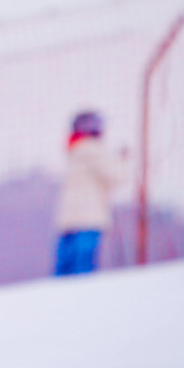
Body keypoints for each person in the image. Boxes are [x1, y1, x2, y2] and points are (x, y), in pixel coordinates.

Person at [53, 110, 130, 275]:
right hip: (88, 218)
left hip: (68, 221)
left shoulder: (74, 151)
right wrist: (123, 160)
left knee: (65, 268)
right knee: (83, 269)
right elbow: (116, 176)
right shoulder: (93, 150)